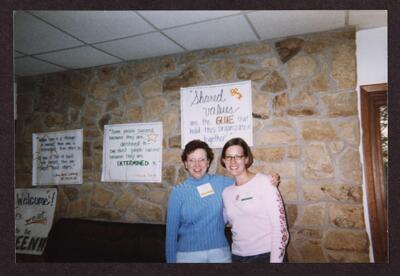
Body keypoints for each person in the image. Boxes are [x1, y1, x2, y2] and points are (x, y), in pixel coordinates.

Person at [165, 139, 279, 263]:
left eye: (202, 160)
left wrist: (270, 179)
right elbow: (171, 234)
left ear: (208, 162)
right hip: (188, 256)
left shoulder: (222, 183)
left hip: (220, 254)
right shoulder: (178, 193)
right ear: (185, 164)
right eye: (192, 160)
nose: (197, 165)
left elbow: (247, 183)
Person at [220, 137, 289, 263]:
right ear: (224, 161)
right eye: (229, 157)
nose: (233, 161)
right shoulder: (226, 193)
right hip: (237, 256)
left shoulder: (265, 182)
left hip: (265, 255)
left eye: (238, 156)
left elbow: (280, 230)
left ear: (246, 159)